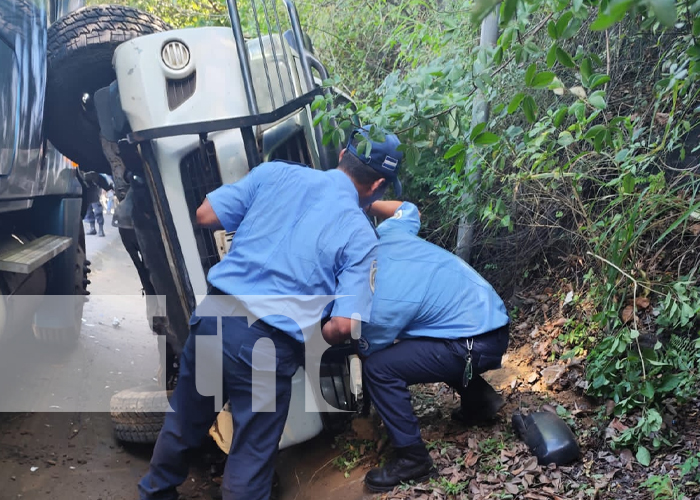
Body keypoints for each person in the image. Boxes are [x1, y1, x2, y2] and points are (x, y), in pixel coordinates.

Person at [138, 125, 404, 500]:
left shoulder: (275, 172)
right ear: (377, 186)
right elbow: (343, 325)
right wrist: (317, 334)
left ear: (342, 156)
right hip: (265, 348)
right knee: (251, 453)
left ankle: (154, 493)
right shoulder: (361, 236)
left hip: (215, 318)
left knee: (184, 420)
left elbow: (204, 214)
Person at [359, 200, 511, 493]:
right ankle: (479, 402)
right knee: (424, 334)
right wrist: (367, 200)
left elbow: (367, 352)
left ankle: (413, 458)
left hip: (476, 341)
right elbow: (410, 208)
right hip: (490, 318)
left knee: (379, 368)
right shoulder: (390, 233)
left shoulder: (381, 302)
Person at [82, 171, 112, 237]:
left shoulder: (92, 170)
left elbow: (100, 178)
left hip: (94, 192)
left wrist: (107, 187)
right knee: (88, 211)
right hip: (86, 193)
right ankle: (92, 228)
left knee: (97, 210)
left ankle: (101, 229)